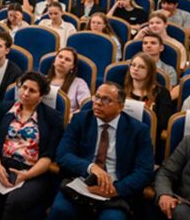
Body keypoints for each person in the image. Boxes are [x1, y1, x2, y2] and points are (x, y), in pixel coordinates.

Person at [47, 82, 154, 220]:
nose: (98, 103)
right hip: (81, 183)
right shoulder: (80, 120)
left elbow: (144, 170)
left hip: (115, 190)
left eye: (106, 100)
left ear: (120, 107)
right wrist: (91, 167)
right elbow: (63, 155)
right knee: (59, 211)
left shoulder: (138, 130)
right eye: (96, 97)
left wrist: (116, 190)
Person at [0, 72, 63, 220]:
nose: (25, 93)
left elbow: (48, 156)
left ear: (41, 96)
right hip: (1, 164)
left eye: (32, 90)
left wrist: (28, 174)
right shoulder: (5, 108)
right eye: (24, 87)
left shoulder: (53, 118)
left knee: (16, 201)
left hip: (32, 172)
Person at [124, 52, 173, 160]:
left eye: (141, 67)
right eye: (133, 65)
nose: (135, 69)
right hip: (123, 137)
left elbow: (163, 122)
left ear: (150, 72)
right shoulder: (122, 91)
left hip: (150, 140)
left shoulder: (161, 93)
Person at [46, 47, 91, 115]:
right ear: (54, 61)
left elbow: (85, 107)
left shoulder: (79, 83)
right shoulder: (43, 80)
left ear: (72, 66)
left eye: (67, 59)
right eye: (60, 57)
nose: (62, 61)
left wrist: (70, 116)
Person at [155, 135, 190, 219]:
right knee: (179, 212)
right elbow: (166, 173)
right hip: (185, 204)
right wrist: (165, 194)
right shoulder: (188, 142)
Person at [142, 31, 178, 97]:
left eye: (153, 43)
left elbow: (168, 93)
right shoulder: (130, 64)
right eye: (145, 43)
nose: (148, 46)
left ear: (161, 48)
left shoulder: (169, 70)